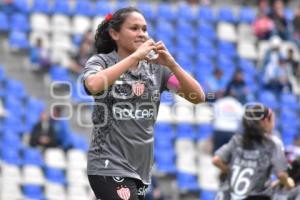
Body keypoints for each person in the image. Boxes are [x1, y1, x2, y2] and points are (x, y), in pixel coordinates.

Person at [82, 7, 205, 200]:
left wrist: (172, 64)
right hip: (107, 163)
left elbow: (198, 97)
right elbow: (93, 85)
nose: (142, 34)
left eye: (144, 29)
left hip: (140, 169)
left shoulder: (157, 70)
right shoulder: (102, 62)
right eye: (134, 28)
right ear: (115, 33)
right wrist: (135, 57)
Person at [212, 104, 295, 200]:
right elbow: (281, 174)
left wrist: (230, 170)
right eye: (273, 121)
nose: (273, 124)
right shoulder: (272, 144)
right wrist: (288, 183)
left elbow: (216, 160)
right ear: (264, 122)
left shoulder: (237, 141)